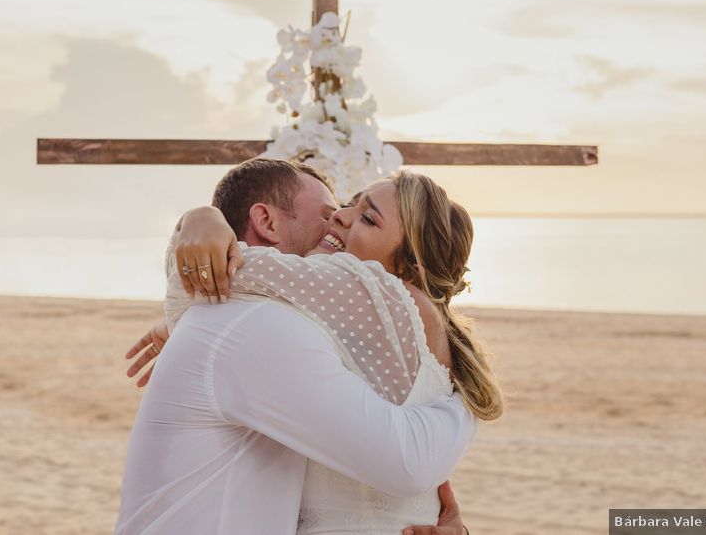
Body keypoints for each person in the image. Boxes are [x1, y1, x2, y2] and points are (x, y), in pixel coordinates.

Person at [117, 159, 497, 534]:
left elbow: (405, 460)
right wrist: (465, 405)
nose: (338, 219)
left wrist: (194, 228)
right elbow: (407, 459)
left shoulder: (317, 314)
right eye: (337, 209)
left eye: (364, 216)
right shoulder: (255, 324)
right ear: (266, 222)